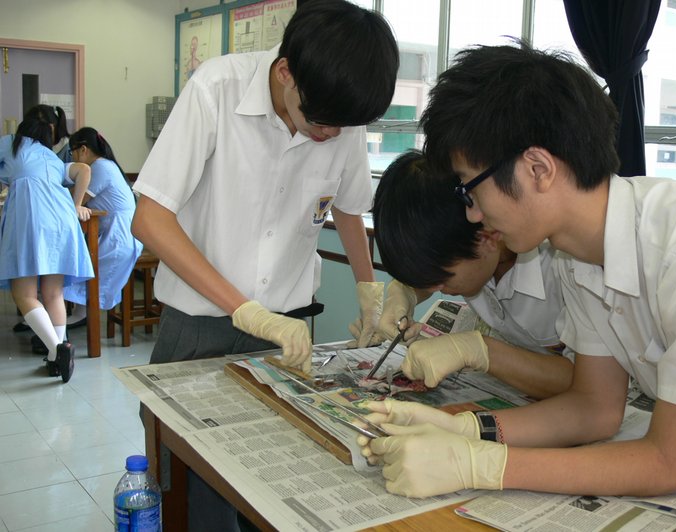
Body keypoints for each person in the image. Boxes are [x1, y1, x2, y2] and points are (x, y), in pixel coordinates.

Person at [358, 41, 676, 499]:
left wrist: (479, 465)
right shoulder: (580, 256)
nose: (473, 214)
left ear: (538, 168)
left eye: (471, 189)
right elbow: (594, 409)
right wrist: (466, 429)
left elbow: (666, 463)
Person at [131, 1, 398, 529]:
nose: (329, 136)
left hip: (287, 335)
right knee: (195, 492)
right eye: (320, 123)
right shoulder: (216, 89)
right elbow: (151, 218)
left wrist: (369, 291)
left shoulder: (336, 112)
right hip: (199, 328)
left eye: (343, 127)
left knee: (278, 486)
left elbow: (348, 207)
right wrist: (246, 311)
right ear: (285, 73)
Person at [369, 149, 572, 398]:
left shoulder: (560, 262)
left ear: (484, 230)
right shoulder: (472, 258)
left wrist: (480, 350)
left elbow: (592, 385)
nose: (435, 289)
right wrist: (404, 292)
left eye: (442, 279)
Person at [0, 107, 94, 383]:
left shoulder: (11, 142)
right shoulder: (51, 157)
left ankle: (56, 349)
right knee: (53, 293)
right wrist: (76, 205)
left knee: (24, 294)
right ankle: (57, 359)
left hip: (31, 216)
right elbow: (84, 169)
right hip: (62, 219)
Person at [63, 127, 143, 323]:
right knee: (79, 262)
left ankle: (82, 313)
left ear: (83, 150)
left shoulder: (100, 168)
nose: (72, 158)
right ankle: (80, 312)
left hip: (120, 237)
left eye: (72, 153)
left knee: (79, 266)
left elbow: (76, 199)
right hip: (116, 232)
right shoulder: (105, 165)